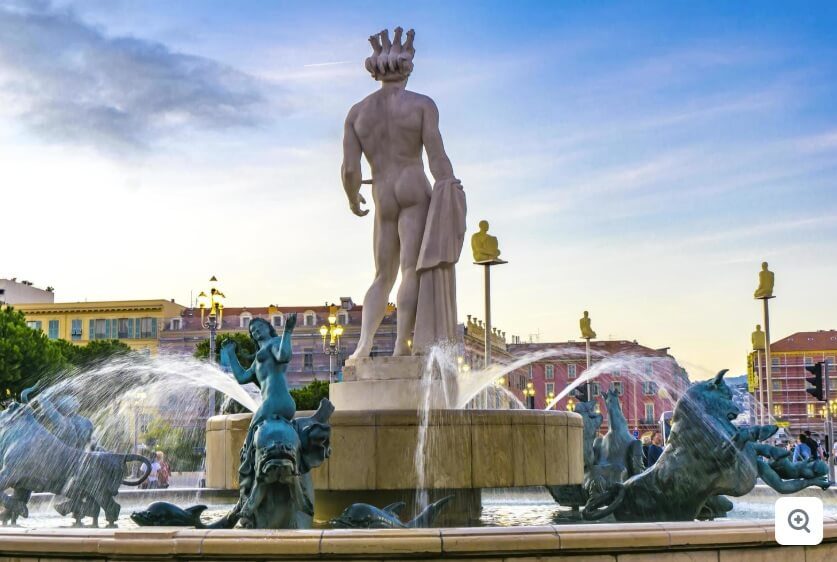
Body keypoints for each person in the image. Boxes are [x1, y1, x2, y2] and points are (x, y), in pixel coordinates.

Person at [342, 27, 463, 358]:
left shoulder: (357, 113)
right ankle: (400, 347)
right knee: (410, 270)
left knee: (382, 275)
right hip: (412, 186)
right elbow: (436, 157)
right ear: (407, 68)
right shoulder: (422, 105)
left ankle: (364, 345)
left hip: (382, 192)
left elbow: (350, 170)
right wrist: (450, 189)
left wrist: (353, 198)